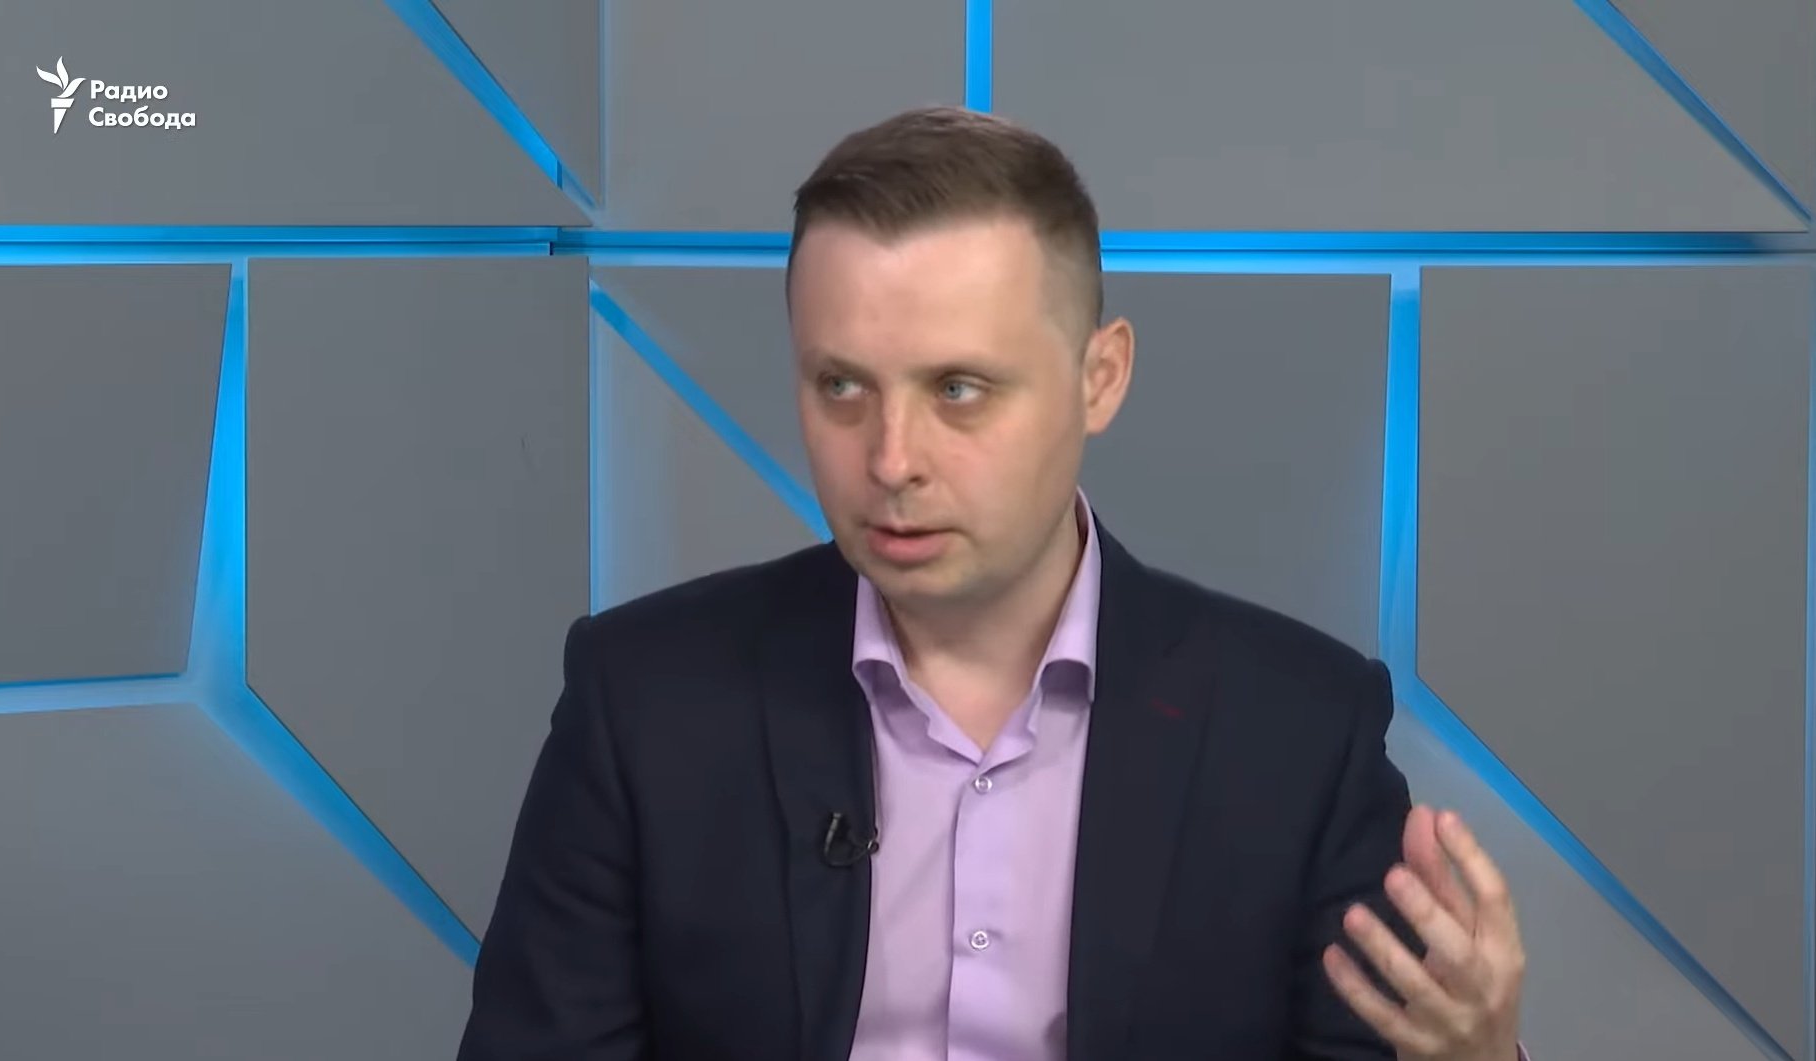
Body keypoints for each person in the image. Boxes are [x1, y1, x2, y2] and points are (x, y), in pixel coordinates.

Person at [456, 105, 1530, 1061]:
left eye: (958, 389)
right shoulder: (641, 700)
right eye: (841, 386)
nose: (890, 459)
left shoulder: (1298, 733)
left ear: (1099, 377)